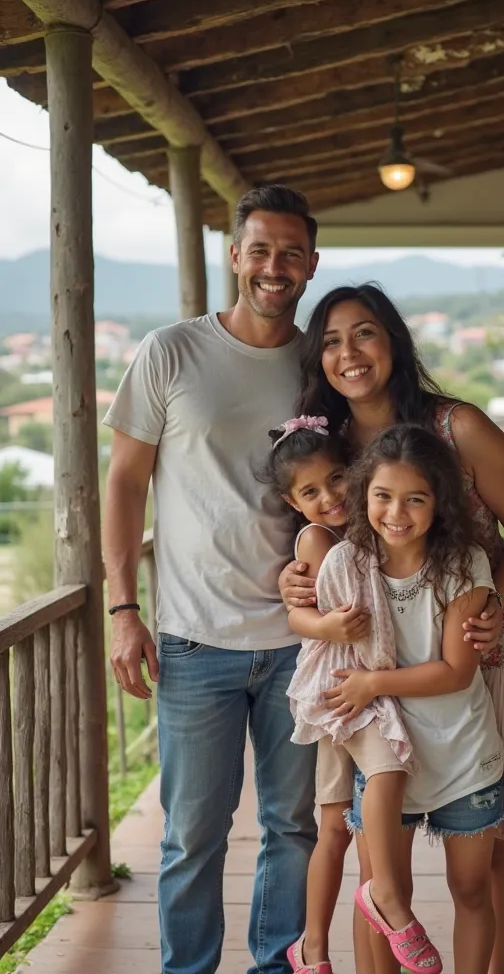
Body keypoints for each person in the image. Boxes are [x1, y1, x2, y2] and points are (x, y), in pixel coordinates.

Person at [280, 284, 504, 974]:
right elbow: (315, 538)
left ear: (395, 343)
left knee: (498, 837)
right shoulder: (323, 446)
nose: (349, 353)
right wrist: (298, 579)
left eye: (365, 334)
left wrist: (485, 604)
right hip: (380, 658)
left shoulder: (456, 426)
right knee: (379, 855)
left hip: (482, 645)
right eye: (330, 340)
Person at [102, 185, 322, 974]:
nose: (274, 266)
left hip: (303, 642)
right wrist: (123, 608)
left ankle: (277, 966)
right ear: (235, 256)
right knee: (191, 834)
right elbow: (124, 483)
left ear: (311, 264)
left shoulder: (317, 365)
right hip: (195, 643)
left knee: (293, 826)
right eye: (260, 249)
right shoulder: (171, 352)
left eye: (291, 252)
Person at [292, 423, 504, 974]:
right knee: (386, 894)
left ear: (440, 501)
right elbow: (324, 639)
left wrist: (372, 684)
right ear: (363, 496)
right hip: (386, 748)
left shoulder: (464, 565)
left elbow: (458, 672)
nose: (397, 512)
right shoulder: (347, 563)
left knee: (473, 889)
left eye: (416, 498)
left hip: (464, 751)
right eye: (383, 496)